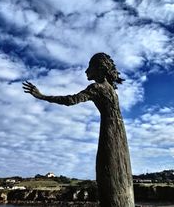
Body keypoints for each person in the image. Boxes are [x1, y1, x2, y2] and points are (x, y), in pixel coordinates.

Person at [22, 53, 134, 207]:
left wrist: (42, 96)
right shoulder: (112, 91)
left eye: (90, 67)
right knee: (120, 174)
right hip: (120, 134)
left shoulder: (97, 88)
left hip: (109, 134)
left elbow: (70, 100)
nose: (86, 71)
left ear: (100, 69)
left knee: (108, 174)